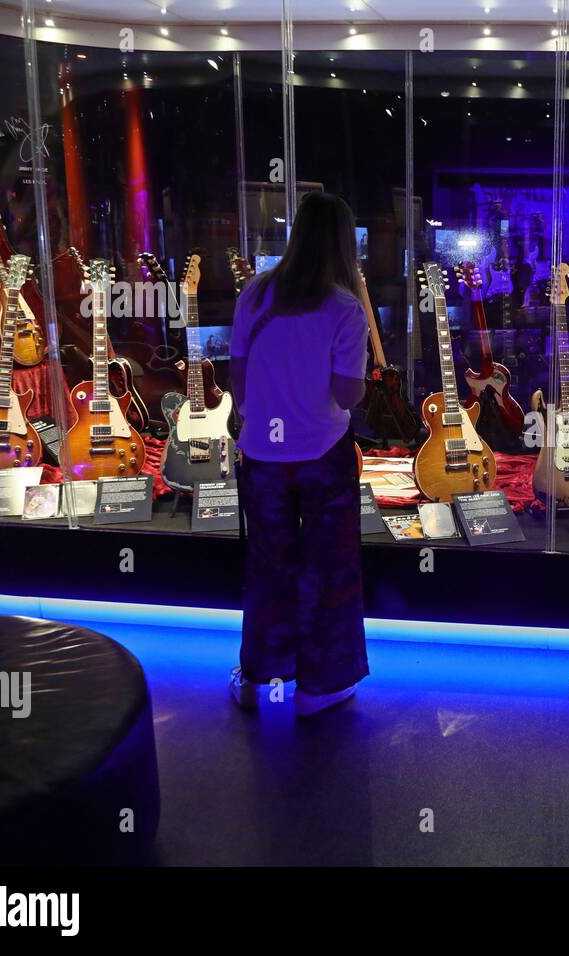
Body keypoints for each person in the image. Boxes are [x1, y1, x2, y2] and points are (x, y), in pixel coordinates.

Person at [228, 192, 369, 718]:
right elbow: (348, 394)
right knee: (329, 567)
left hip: (262, 452)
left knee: (268, 562)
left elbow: (237, 376)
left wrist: (264, 413)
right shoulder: (344, 308)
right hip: (323, 452)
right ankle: (320, 687)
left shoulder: (255, 294)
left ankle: (257, 674)